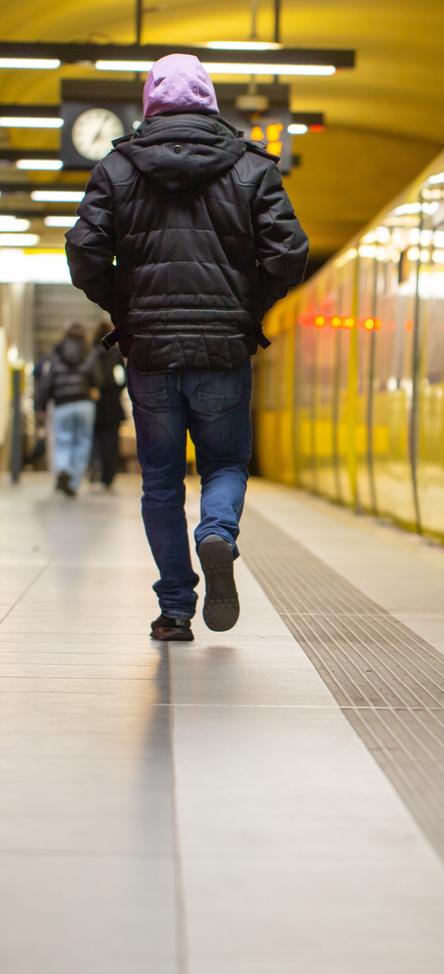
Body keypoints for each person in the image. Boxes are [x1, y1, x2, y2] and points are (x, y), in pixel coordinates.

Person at [65, 53, 308, 642]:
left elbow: (84, 253)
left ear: (150, 103)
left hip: (149, 351)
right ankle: (217, 532)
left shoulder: (116, 168)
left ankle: (175, 609)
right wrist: (247, 308)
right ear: (210, 102)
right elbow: (289, 253)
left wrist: (126, 309)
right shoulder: (252, 167)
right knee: (224, 463)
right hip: (223, 349)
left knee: (160, 482)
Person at [34, 322, 98, 497]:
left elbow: (47, 382)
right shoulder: (89, 352)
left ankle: (63, 468)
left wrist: (40, 405)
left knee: (63, 440)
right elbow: (96, 379)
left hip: (62, 404)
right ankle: (74, 482)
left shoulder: (56, 352)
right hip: (84, 403)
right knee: (82, 442)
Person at [90, 320, 126, 490]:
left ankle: (95, 471)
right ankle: (109, 475)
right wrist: (117, 389)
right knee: (112, 440)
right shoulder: (115, 354)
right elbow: (123, 378)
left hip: (95, 401)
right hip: (113, 402)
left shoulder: (91, 353)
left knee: (96, 439)